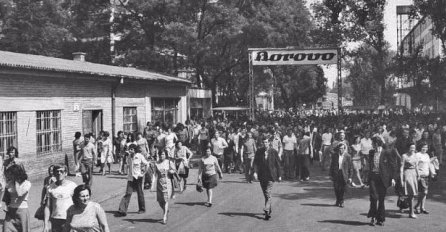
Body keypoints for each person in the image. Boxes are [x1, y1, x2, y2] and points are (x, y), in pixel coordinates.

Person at [367, 137, 399, 226]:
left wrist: (393, 178)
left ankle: (380, 219)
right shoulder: (371, 152)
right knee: (373, 198)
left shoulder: (387, 153)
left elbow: (393, 166)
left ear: (376, 143)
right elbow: (369, 165)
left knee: (381, 199)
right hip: (373, 177)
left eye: (372, 143)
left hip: (383, 179)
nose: (371, 145)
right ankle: (373, 217)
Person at [253, 137, 282, 220]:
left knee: (268, 192)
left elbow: (278, 164)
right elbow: (255, 163)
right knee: (266, 194)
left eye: (266, 142)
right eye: (263, 142)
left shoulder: (273, 152)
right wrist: (255, 172)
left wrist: (279, 175)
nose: (265, 144)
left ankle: (266, 209)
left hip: (271, 176)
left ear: (269, 143)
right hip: (262, 176)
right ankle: (268, 211)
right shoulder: (259, 151)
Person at [116, 144, 149, 217]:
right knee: (128, 193)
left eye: (131, 149)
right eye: (129, 149)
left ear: (135, 150)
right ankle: (122, 210)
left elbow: (147, 164)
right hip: (131, 178)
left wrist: (143, 173)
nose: (130, 150)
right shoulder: (129, 157)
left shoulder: (139, 156)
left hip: (138, 177)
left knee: (140, 193)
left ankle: (142, 209)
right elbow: (128, 166)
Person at [44, 164, 77, 232]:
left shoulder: (72, 186)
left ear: (65, 173)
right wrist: (46, 224)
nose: (59, 173)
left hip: (69, 219)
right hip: (55, 220)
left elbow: (77, 204)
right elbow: (47, 206)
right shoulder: (50, 187)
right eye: (57, 171)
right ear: (54, 173)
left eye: (61, 171)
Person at [3, 164, 31, 232]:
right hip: (10, 211)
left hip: (22, 211)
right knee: (6, 229)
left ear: (15, 174)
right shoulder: (9, 184)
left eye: (10, 174)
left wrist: (16, 182)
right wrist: (6, 206)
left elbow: (20, 194)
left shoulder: (26, 183)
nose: (8, 176)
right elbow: (6, 198)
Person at [153, 149, 177, 224]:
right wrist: (152, 185)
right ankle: (165, 210)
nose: (161, 156)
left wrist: (171, 171)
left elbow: (174, 170)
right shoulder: (156, 163)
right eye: (160, 154)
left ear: (165, 155)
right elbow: (155, 174)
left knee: (165, 200)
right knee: (160, 201)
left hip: (167, 184)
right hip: (159, 184)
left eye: (163, 154)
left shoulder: (169, 162)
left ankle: (164, 217)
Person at [414, 142, 435, 215]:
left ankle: (422, 208)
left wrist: (432, 173)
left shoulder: (427, 155)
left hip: (426, 176)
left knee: (424, 193)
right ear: (420, 147)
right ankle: (416, 206)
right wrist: (417, 175)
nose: (425, 149)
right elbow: (415, 165)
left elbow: (429, 164)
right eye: (423, 147)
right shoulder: (417, 155)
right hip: (420, 176)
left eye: (426, 147)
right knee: (424, 192)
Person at [329, 143, 352, 208]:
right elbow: (332, 165)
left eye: (342, 148)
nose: (340, 150)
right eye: (339, 148)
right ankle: (338, 199)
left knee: (342, 188)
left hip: (344, 173)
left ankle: (341, 201)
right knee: (336, 188)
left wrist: (350, 177)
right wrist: (330, 174)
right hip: (336, 173)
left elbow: (350, 167)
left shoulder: (348, 156)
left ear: (344, 149)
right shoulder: (335, 155)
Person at [400, 143, 419, 218]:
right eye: (411, 148)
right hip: (407, 174)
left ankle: (404, 206)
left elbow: (416, 166)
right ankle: (411, 212)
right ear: (408, 148)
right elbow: (401, 168)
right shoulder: (404, 156)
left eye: (414, 148)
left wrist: (418, 175)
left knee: (412, 194)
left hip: (414, 174)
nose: (412, 149)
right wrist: (401, 179)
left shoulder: (416, 155)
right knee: (411, 194)